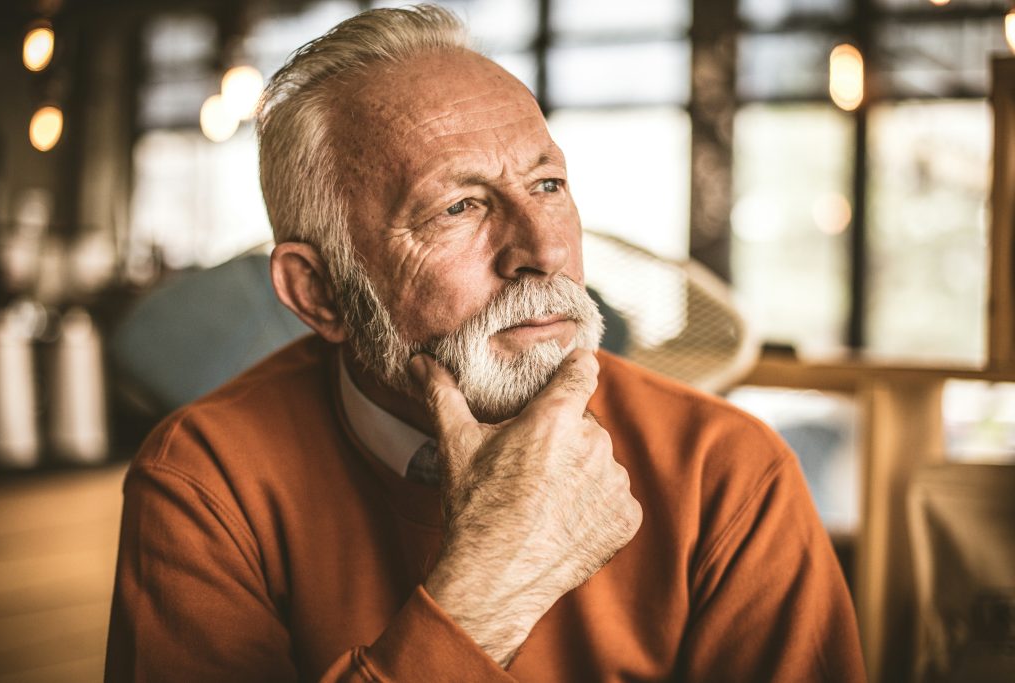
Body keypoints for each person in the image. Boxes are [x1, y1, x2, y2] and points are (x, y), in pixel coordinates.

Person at [106, 5, 866, 682]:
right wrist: (486, 592)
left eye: (548, 186)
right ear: (319, 292)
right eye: (459, 206)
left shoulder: (725, 472)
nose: (546, 250)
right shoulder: (206, 481)